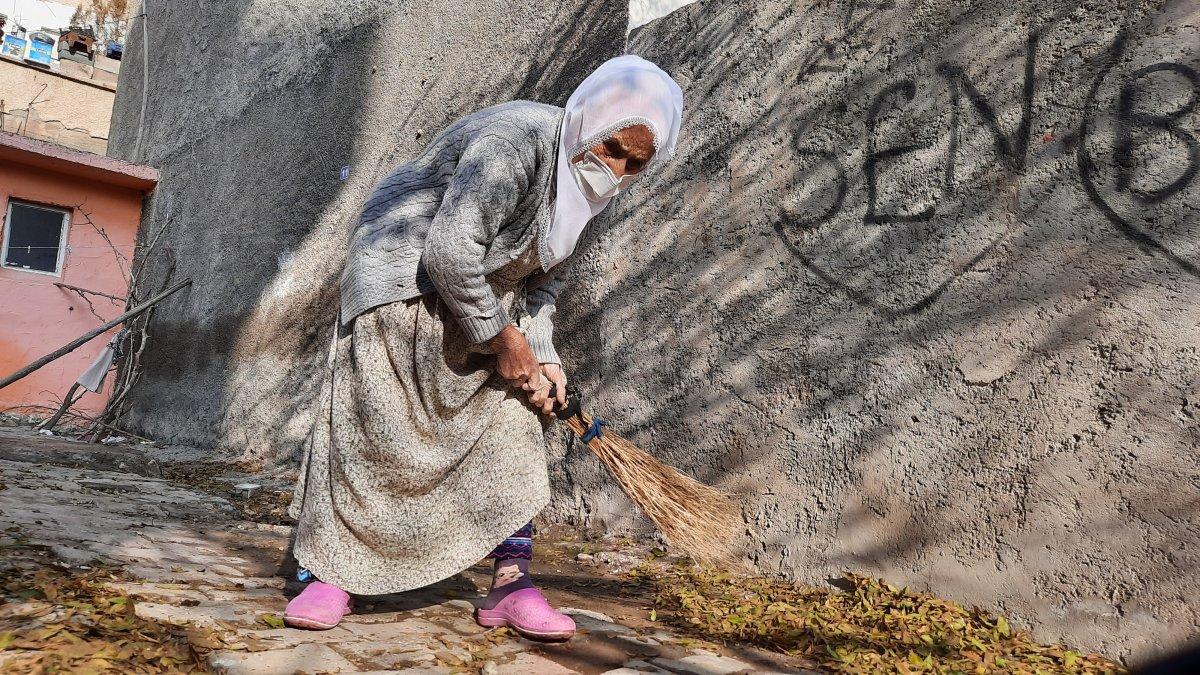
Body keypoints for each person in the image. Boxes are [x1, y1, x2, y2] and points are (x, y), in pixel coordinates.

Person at [284, 55, 683, 641]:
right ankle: (331, 574)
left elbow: (542, 283)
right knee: (379, 429)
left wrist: (543, 354)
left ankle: (511, 582)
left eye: (635, 164)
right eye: (614, 148)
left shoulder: (591, 198)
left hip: (479, 293)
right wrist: (504, 339)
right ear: (591, 119)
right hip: (401, 276)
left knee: (514, 424)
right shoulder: (517, 141)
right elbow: (448, 250)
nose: (617, 169)